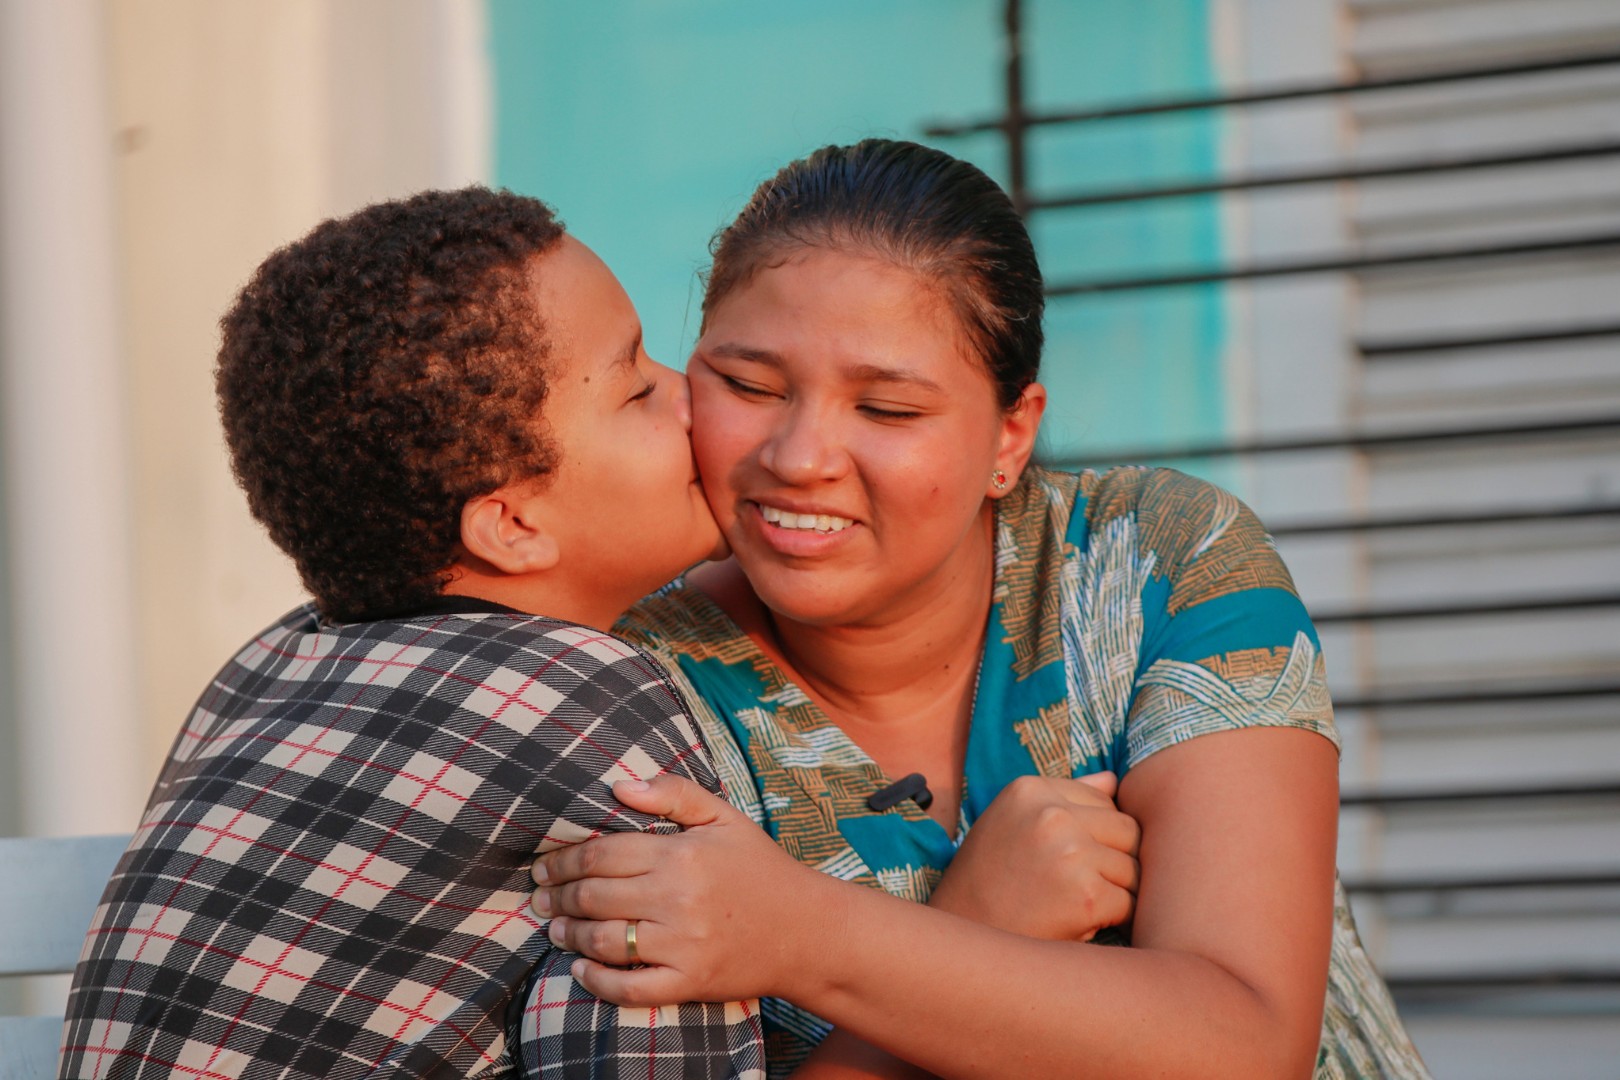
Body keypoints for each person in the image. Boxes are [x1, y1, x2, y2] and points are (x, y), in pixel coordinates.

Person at [529, 140, 1432, 1079]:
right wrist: (970, 927)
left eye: (886, 410)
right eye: (749, 387)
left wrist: (803, 935)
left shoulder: (1158, 558)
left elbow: (1242, 1046)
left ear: (1010, 435)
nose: (799, 456)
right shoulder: (629, 688)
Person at [58, 188, 766, 1079]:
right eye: (635, 389)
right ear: (510, 527)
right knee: (657, 921)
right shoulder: (584, 696)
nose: (691, 393)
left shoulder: (266, 664)